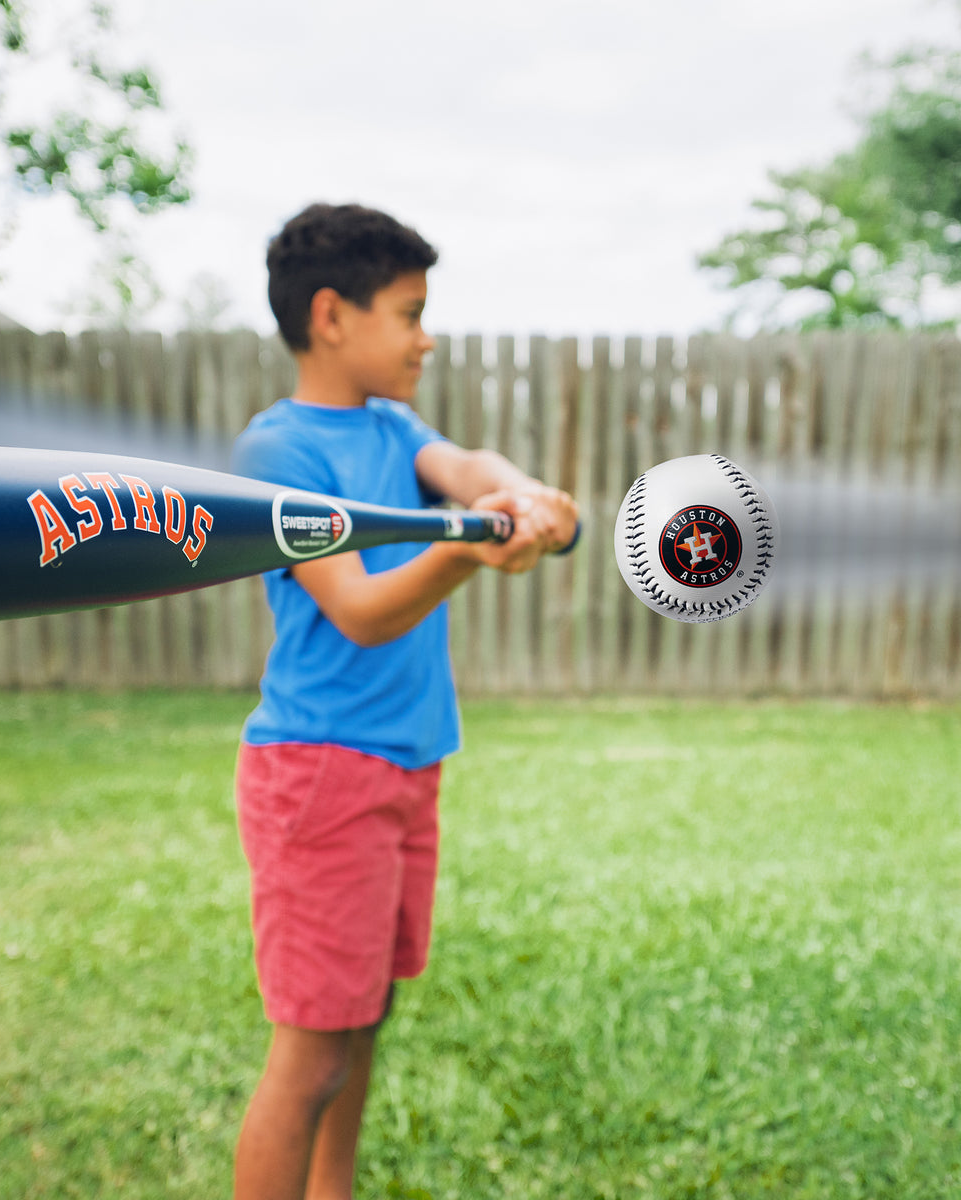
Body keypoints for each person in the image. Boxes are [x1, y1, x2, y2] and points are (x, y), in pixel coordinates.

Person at [229, 202, 579, 1200]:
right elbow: (362, 611)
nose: (426, 335)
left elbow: (464, 469)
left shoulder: (391, 427)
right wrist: (470, 545)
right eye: (409, 312)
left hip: (401, 764)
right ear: (332, 315)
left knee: (361, 1021)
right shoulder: (279, 455)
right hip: (321, 775)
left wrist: (517, 493)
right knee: (309, 1057)